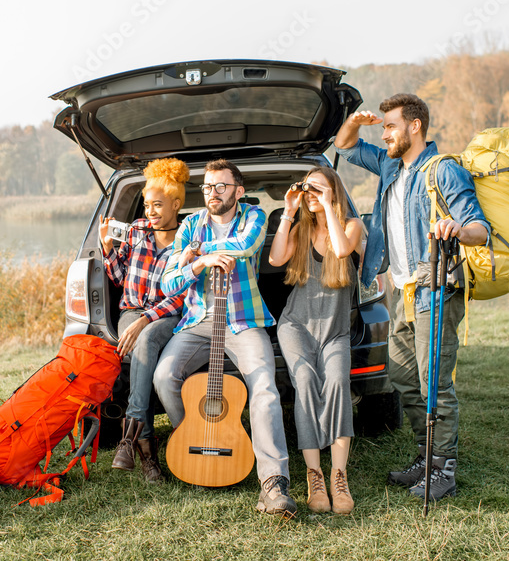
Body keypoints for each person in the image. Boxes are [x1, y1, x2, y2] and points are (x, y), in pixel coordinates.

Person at [333, 93, 490, 503]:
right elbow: (344, 146)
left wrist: (456, 227)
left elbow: (481, 229)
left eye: (390, 126)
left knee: (433, 383)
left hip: (435, 288)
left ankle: (445, 469)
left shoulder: (444, 171)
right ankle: (427, 457)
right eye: (383, 127)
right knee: (404, 378)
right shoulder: (389, 165)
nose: (384, 133)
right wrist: (355, 121)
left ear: (414, 126)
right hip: (402, 290)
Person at [154, 159, 297, 517]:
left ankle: (273, 483)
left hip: (243, 321)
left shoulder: (254, 216)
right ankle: (197, 440)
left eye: (220, 186)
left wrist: (196, 254)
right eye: (207, 187)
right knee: (164, 376)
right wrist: (200, 264)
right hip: (199, 321)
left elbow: (247, 246)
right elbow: (168, 283)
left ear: (238, 190)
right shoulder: (189, 224)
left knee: (264, 387)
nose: (212, 193)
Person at [267, 165, 364, 515]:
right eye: (307, 189)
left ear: (333, 193)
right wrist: (288, 212)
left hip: (334, 330)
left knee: (337, 381)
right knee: (305, 380)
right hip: (296, 326)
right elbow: (276, 258)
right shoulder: (299, 229)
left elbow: (340, 250)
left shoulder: (351, 226)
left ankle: (339, 475)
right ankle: (314, 474)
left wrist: (329, 208)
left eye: (318, 189)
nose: (310, 195)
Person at [99, 157, 190, 482]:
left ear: (176, 204)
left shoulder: (187, 239)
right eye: (147, 204)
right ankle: (148, 456)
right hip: (131, 311)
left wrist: (145, 320)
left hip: (167, 315)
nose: (150, 211)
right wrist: (109, 249)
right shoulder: (137, 230)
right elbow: (119, 277)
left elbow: (180, 295)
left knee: (147, 337)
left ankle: (131, 436)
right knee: (142, 341)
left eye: (158, 205)